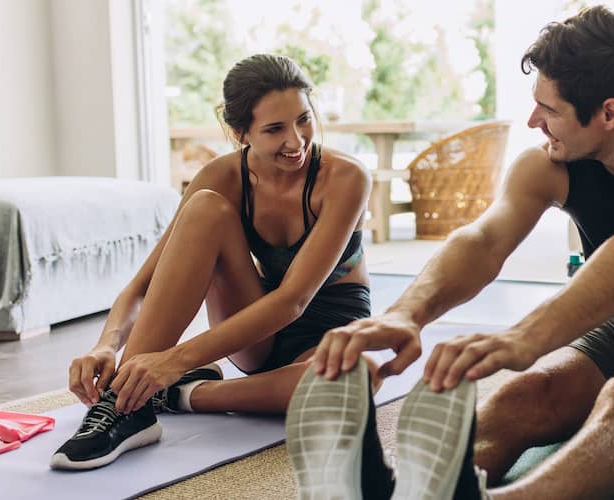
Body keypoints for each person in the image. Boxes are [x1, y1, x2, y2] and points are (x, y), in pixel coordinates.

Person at [287, 5, 614, 499]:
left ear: (609, 113)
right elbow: (483, 242)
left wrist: (525, 338)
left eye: (550, 109)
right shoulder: (551, 164)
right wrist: (405, 315)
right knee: (523, 395)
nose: (532, 120)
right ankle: (401, 490)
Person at [51, 53, 379, 471]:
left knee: (358, 378)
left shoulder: (346, 177)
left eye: (304, 119)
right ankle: (124, 406)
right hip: (254, 329)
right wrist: (106, 344)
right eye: (275, 129)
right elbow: (143, 284)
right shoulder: (222, 176)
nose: (296, 141)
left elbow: (293, 301)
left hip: (329, 334)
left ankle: (174, 394)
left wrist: (174, 363)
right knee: (205, 208)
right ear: (240, 131)